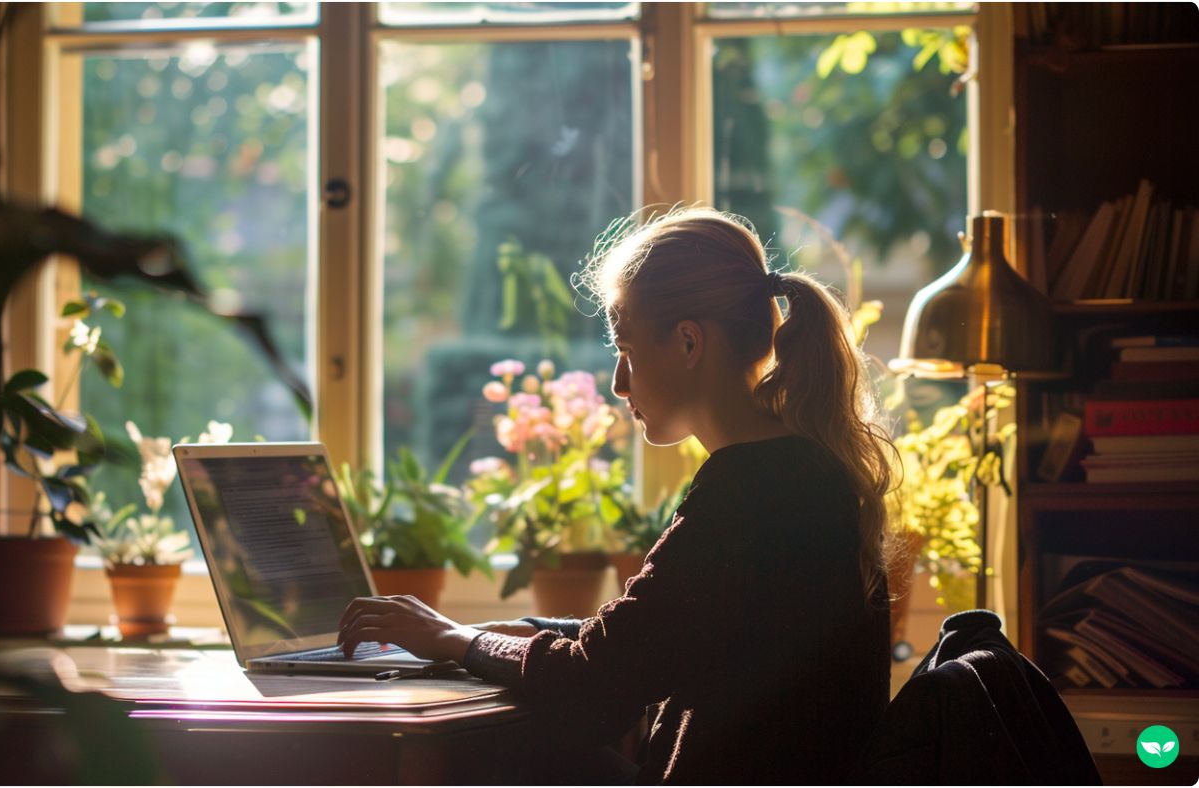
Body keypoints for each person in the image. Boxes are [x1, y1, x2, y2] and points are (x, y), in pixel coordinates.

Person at [338, 207, 900, 784]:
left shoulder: (751, 488)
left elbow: (597, 687)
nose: (618, 383)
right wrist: (517, 635)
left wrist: (455, 639)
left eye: (627, 351)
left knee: (456, 755)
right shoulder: (802, 470)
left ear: (688, 342)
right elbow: (647, 637)